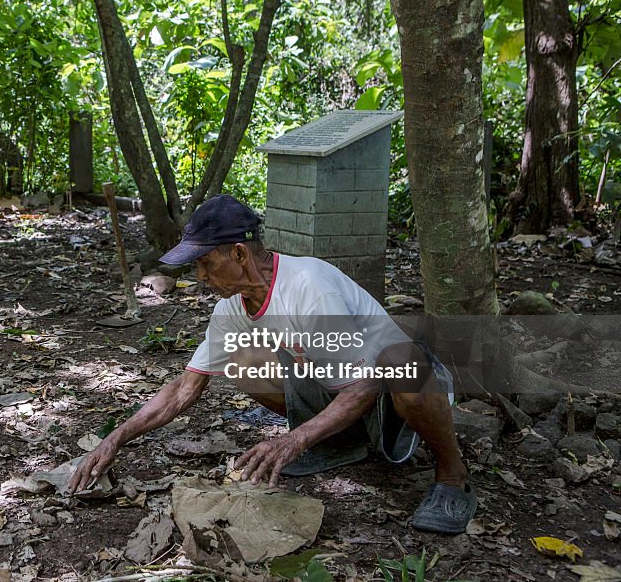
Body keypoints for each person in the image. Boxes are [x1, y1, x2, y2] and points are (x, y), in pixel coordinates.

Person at [68, 194, 477, 535]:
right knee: (241, 358)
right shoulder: (232, 310)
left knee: (400, 359)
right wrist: (117, 438)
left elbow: (365, 385)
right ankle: (340, 444)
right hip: (338, 394)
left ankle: (452, 476)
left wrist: (293, 439)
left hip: (393, 397)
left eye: (205, 263)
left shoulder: (307, 287)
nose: (200, 276)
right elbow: (184, 388)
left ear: (240, 254)